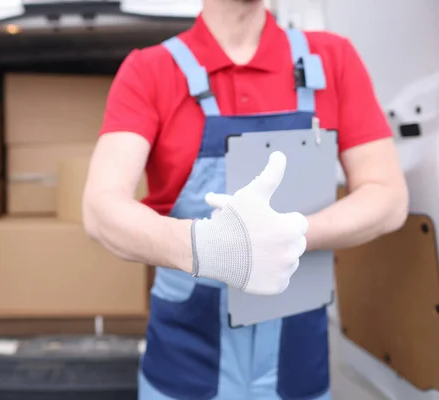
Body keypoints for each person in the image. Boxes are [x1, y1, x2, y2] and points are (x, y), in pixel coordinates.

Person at [82, 0, 409, 398]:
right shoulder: (149, 70)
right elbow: (101, 208)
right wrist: (211, 248)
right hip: (186, 359)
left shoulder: (332, 58)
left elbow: (388, 196)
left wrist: (292, 232)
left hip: (297, 359)